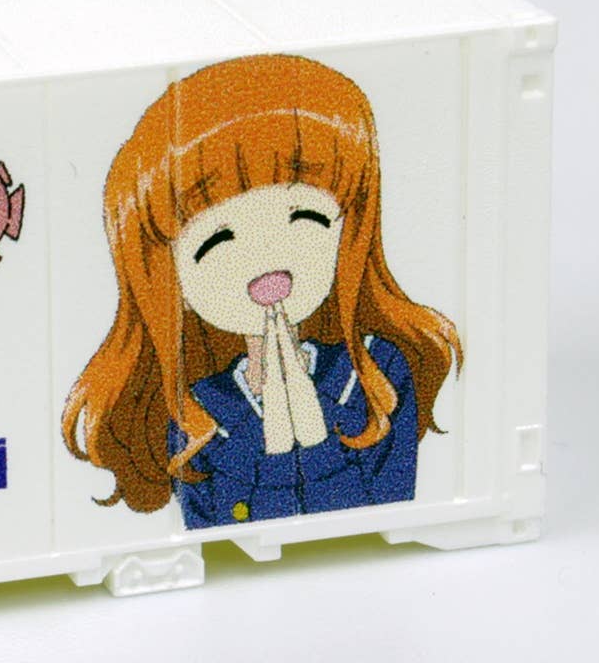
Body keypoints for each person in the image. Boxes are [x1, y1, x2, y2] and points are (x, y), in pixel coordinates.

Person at [61, 54, 463, 528]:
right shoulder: (197, 413)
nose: (264, 260)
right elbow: (212, 534)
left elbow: (390, 506)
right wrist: (273, 449)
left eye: (306, 218)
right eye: (215, 242)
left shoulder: (377, 371)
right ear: (172, 281)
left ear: (348, 230)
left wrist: (317, 437)